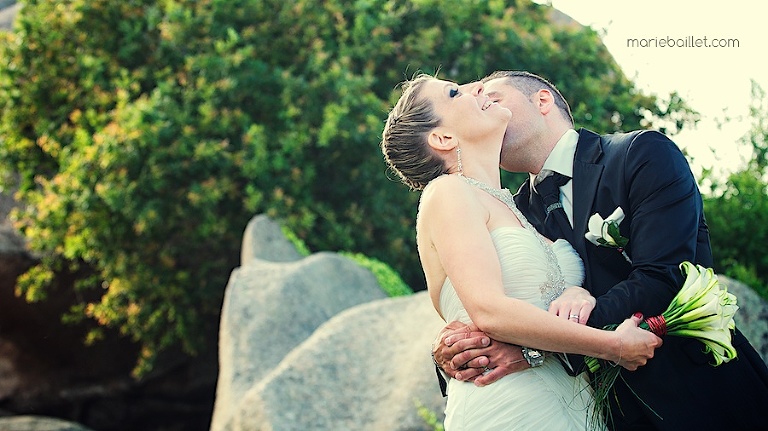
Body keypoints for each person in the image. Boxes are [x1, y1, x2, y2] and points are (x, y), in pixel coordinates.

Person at [431, 70, 768, 430]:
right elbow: (497, 300)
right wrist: (456, 350)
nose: (482, 103)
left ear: (542, 100)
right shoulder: (512, 214)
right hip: (603, 414)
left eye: (493, 98)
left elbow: (665, 275)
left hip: (702, 395)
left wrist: (540, 348)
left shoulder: (641, 154)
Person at [380, 74, 662, 430]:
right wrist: (610, 346)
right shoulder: (447, 193)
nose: (475, 89)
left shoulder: (522, 209)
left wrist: (576, 291)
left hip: (573, 402)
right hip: (509, 406)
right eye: (455, 93)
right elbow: (488, 311)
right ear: (442, 138)